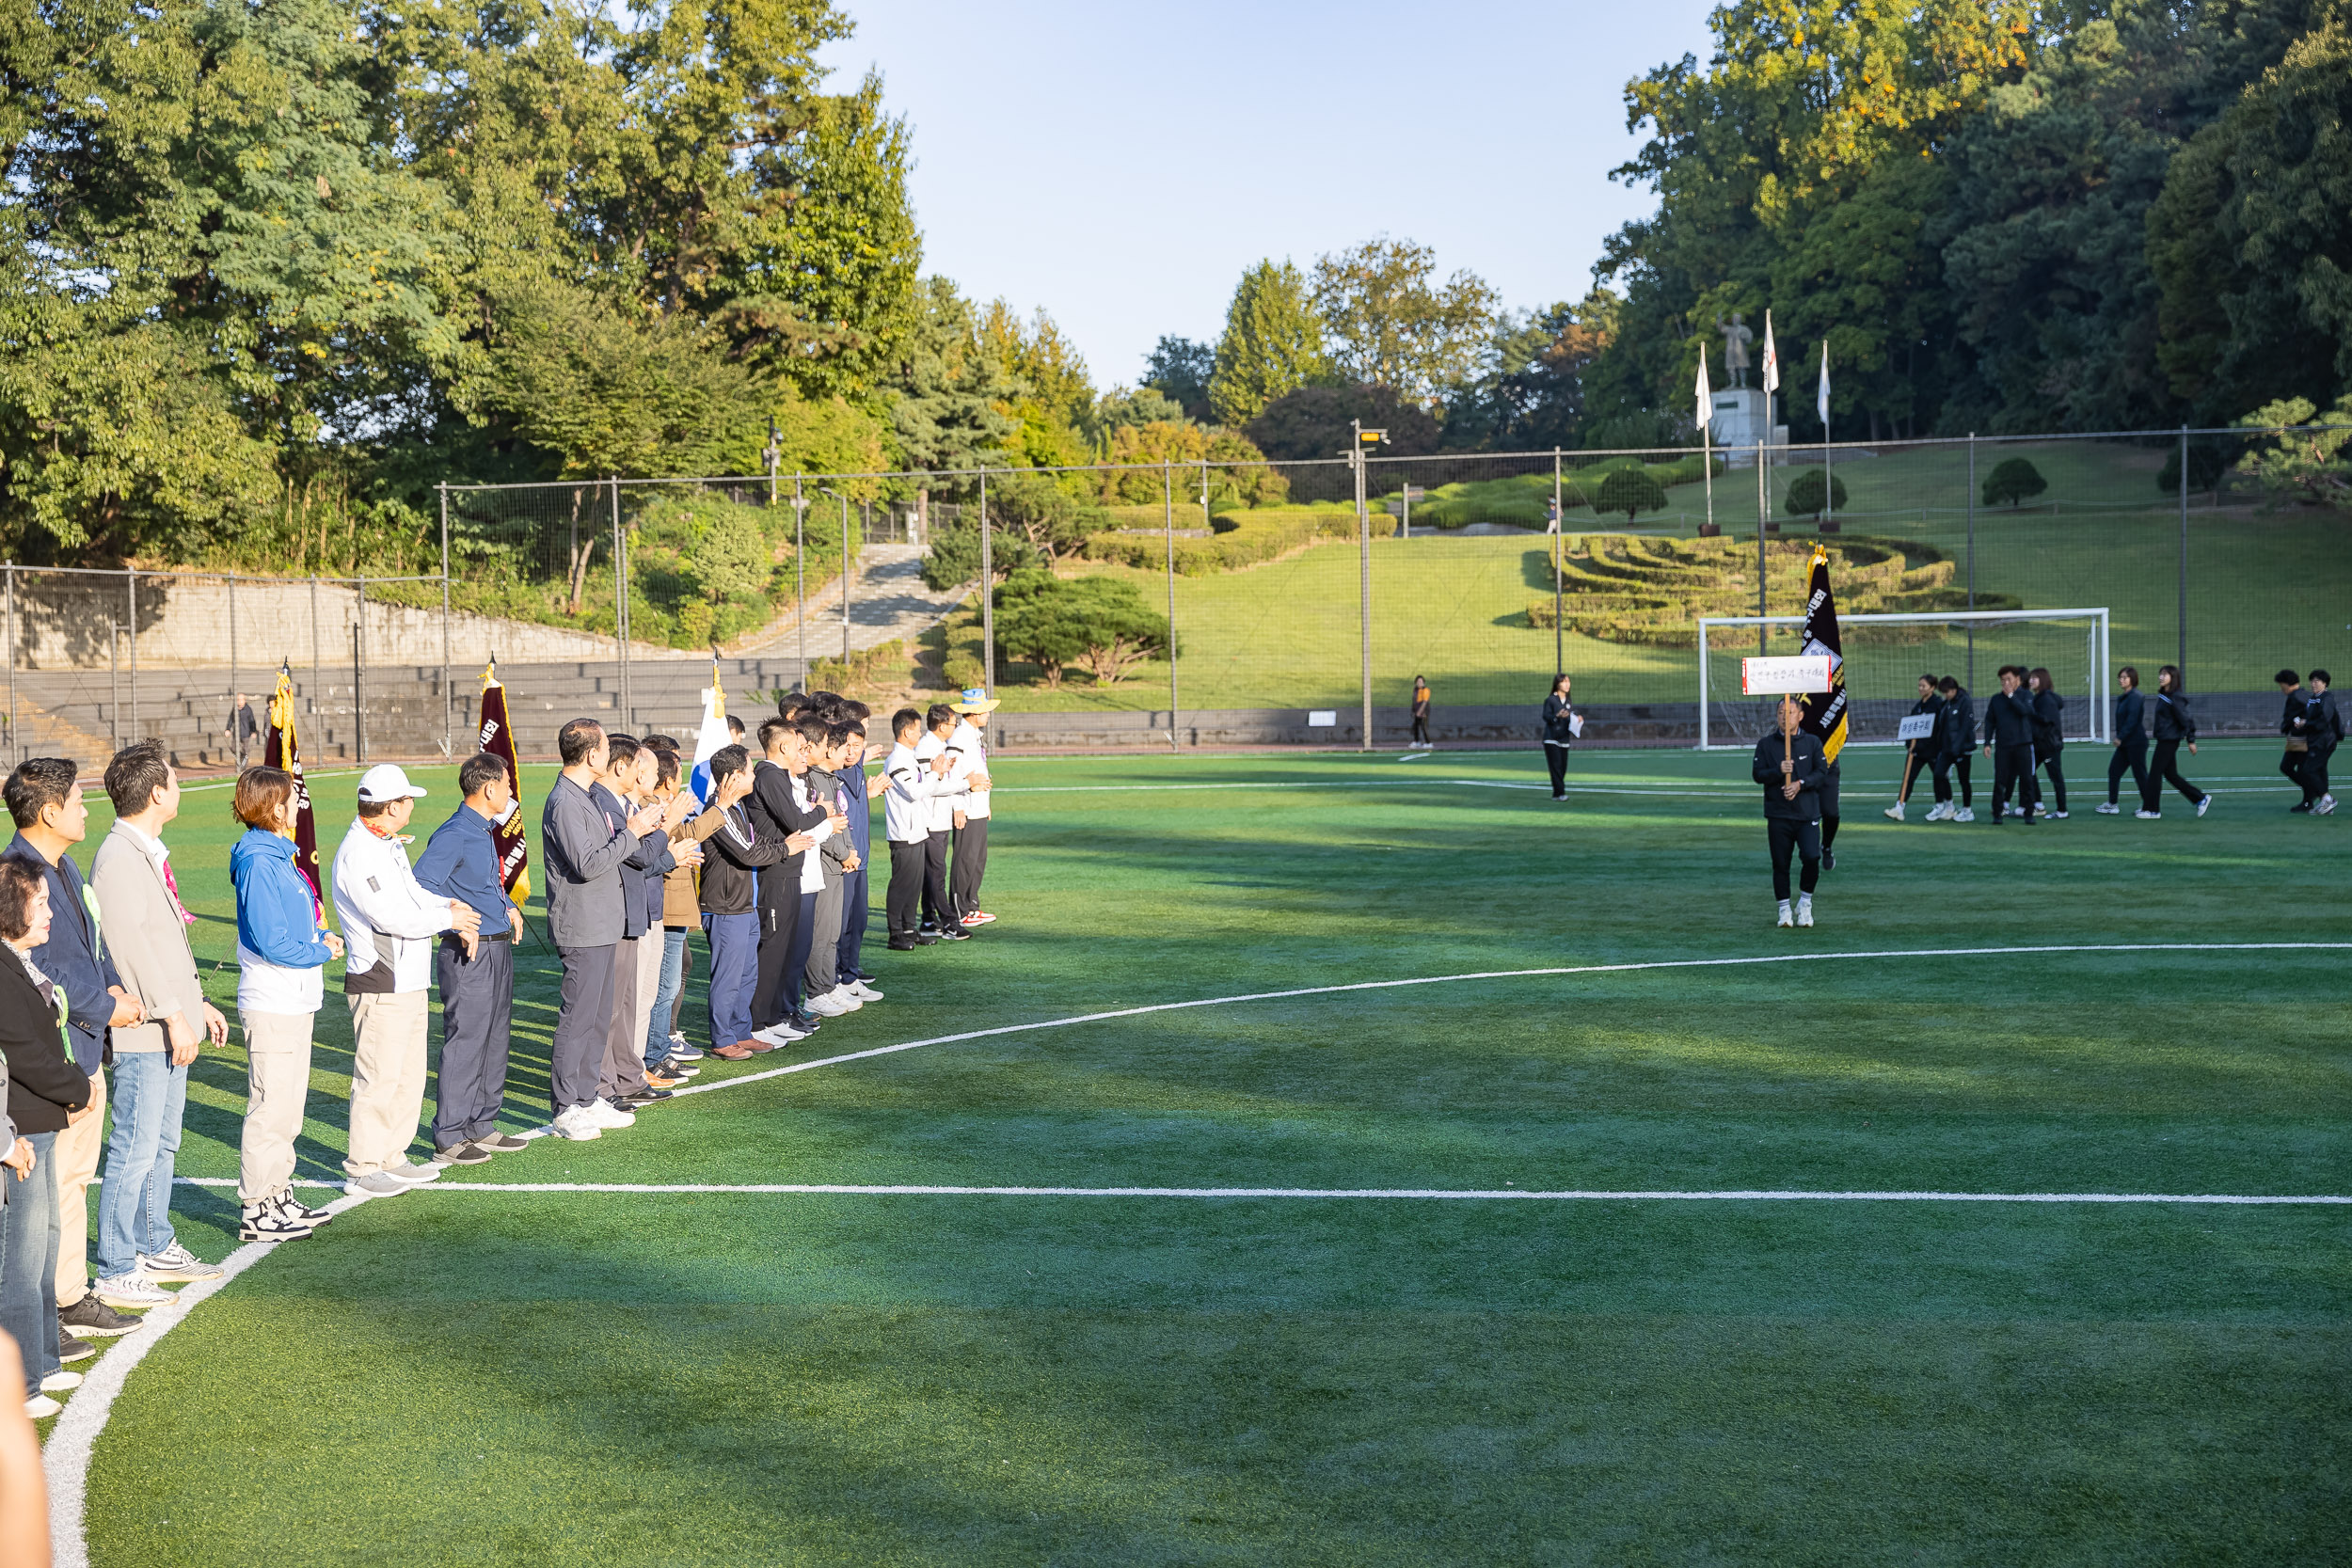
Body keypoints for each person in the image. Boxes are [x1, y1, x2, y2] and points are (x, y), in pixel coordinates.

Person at [2, 759, 142, 1338]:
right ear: (49, 811)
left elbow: (91, 942)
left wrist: (110, 985)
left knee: (74, 1179)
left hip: (83, 1047)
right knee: (46, 1192)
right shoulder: (20, 877)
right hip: (54, 1060)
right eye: (79, 802)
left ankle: (66, 1293)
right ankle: (46, 1308)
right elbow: (46, 968)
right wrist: (108, 1007)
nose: (88, 811)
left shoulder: (63, 865)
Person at [87, 741, 227, 1318]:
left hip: (171, 1023)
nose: (179, 785)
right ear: (156, 792)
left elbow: (164, 942)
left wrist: (197, 1007)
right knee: (135, 1148)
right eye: (173, 777)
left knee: (162, 1144)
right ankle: (118, 1266)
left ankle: (154, 1242)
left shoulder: (143, 850)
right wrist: (171, 1014)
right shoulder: (119, 857)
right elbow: (131, 949)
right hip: (148, 1031)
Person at [330, 765, 475, 1196]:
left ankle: (392, 1155)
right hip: (380, 978)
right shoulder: (359, 852)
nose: (413, 804)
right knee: (378, 1075)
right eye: (408, 799)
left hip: (407, 978)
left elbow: (410, 893)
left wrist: (447, 903)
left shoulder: (384, 843)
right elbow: (389, 916)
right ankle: (362, 1165)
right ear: (392, 806)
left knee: (407, 1075)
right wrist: (447, 918)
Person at [539, 719, 673, 1142]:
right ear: (594, 755)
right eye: (604, 747)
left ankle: (587, 1097)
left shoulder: (586, 796)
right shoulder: (565, 801)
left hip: (603, 923)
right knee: (578, 1019)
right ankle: (565, 1107)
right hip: (582, 925)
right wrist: (634, 833)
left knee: (598, 1018)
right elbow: (589, 863)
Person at [229, 767, 343, 1241]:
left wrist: (318, 936)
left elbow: (293, 926)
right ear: (273, 807)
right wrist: (322, 950)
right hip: (272, 999)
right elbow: (272, 941)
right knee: (270, 1106)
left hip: (294, 1000)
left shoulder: (280, 857)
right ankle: (257, 1206)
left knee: (288, 1107)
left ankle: (278, 1193)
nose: (298, 806)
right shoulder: (259, 861)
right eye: (292, 800)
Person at [0, 861, 91, 1418]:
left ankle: (45, 1361)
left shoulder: (21, 964)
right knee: (22, 1254)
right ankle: (21, 1384)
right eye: (40, 902)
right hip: (24, 1125)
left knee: (45, 1243)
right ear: (11, 908)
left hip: (42, 1119)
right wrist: (77, 1087)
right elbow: (28, 1053)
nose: (50, 911)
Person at [412, 753, 529, 1164]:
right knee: (466, 1040)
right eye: (507, 784)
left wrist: (506, 907)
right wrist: (454, 923)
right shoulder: (455, 833)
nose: (512, 791)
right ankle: (449, 1134)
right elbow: (421, 886)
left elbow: (480, 882)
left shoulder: (482, 830)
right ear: (489, 788)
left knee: (495, 1036)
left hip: (496, 947)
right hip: (469, 953)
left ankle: (482, 1124)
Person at [691, 747, 792, 1061]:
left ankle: (741, 1031)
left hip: (743, 904)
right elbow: (747, 852)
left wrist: (780, 845)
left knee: (747, 974)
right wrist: (785, 848)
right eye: (749, 771)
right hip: (724, 907)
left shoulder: (736, 808)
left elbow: (753, 842)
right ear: (734, 776)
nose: (753, 776)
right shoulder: (717, 811)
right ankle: (722, 1038)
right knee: (728, 978)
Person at [589, 735, 673, 1112]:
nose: (645, 774)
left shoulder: (620, 802)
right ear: (622, 766)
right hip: (616, 915)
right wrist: (664, 832)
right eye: (642, 766)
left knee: (624, 1006)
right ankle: (605, 1085)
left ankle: (627, 1077)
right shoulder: (604, 801)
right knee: (610, 1009)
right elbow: (637, 857)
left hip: (631, 913)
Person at [640, 746, 704, 1080]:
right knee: (660, 989)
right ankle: (653, 1056)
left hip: (670, 906)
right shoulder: (650, 809)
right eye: (680, 773)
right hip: (663, 906)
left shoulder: (661, 808)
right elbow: (651, 855)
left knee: (663, 987)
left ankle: (658, 1053)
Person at [882, 707, 967, 950]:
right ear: (907, 731)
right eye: (917, 730)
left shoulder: (908, 756)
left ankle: (910, 928)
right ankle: (895, 933)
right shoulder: (897, 760)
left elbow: (924, 787)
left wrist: (938, 773)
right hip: (903, 833)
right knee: (901, 884)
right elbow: (915, 792)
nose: (920, 734)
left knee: (914, 884)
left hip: (917, 830)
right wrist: (936, 773)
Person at [1751, 697, 1826, 927]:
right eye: (1781, 712)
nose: (1785, 717)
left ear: (1800, 715)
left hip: (1807, 814)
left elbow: (1821, 773)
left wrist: (1800, 784)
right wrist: (1778, 771)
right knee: (1780, 863)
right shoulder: (1766, 744)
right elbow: (1757, 774)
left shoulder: (1812, 742)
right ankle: (1784, 909)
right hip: (1778, 814)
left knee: (1812, 857)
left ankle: (1805, 903)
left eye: (1790, 712)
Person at [834, 705, 886, 993]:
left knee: (859, 920)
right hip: (844, 860)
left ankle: (851, 975)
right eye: (847, 746)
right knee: (838, 927)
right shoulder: (832, 775)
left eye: (858, 745)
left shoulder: (858, 769)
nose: (852, 751)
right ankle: (833, 980)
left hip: (861, 859)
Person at [915, 705, 973, 940]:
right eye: (952, 724)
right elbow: (931, 787)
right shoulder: (927, 748)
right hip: (931, 820)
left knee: (933, 872)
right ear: (941, 726)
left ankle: (929, 919)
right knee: (936, 873)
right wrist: (966, 783)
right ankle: (949, 922)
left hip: (939, 819)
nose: (955, 727)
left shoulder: (938, 746)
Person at [946, 689, 998, 927]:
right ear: (974, 712)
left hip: (977, 806)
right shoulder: (959, 737)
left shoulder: (974, 735)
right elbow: (952, 772)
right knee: (965, 859)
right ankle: (960, 909)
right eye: (985, 709)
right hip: (965, 807)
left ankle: (971, 905)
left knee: (978, 859)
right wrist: (957, 806)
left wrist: (985, 803)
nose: (988, 713)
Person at [1979, 666, 2040, 825]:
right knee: (2000, 781)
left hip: (2023, 745)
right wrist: (1987, 743)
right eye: (2002, 680)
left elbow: (2026, 711)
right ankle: (1998, 813)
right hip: (2003, 746)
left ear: (2017, 679)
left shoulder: (2026, 695)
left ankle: (2029, 813)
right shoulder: (1996, 699)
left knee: (2027, 780)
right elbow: (1990, 721)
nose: (2005, 683)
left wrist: (2012, 696)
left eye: (2009, 679)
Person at [2148, 665, 2210, 819]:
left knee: (2155, 774)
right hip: (2165, 738)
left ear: (2173, 677)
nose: (2161, 677)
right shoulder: (2164, 695)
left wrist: (2191, 740)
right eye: (2160, 674)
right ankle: (2200, 798)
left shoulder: (2175, 697)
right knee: (2171, 775)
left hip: (2169, 740)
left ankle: (2152, 810)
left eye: (2165, 674)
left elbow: (2186, 719)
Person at [1884, 674, 1941, 822]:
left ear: (1933, 687)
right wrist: (1910, 745)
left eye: (1924, 686)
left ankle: (1944, 806)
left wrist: (1921, 746)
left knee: (1940, 778)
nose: (1920, 689)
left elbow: (1935, 729)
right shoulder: (1918, 706)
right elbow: (1911, 727)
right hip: (1916, 751)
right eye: (1919, 686)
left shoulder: (1936, 704)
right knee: (1908, 778)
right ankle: (1899, 807)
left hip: (1932, 750)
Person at [2099, 667, 2151, 816]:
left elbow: (2132, 719)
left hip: (2135, 742)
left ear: (2132, 679)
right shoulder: (2125, 696)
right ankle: (2112, 804)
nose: (2121, 680)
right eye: (2120, 677)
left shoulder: (2135, 696)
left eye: (2125, 677)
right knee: (2114, 771)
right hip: (2126, 743)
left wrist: (2120, 737)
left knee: (2140, 774)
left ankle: (2149, 806)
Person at [1930, 677, 1976, 822]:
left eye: (1947, 692)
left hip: (1962, 749)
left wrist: (1958, 747)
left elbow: (1965, 727)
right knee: (1938, 774)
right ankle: (1949, 807)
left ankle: (1967, 810)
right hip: (1947, 748)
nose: (1945, 695)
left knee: (1964, 780)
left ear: (1954, 690)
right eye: (1943, 692)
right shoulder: (1946, 704)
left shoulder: (1965, 702)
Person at [2027, 667, 2069, 819]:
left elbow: (2048, 721)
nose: (2031, 681)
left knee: (2056, 777)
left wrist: (2031, 715)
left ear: (2043, 680)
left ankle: (2062, 811)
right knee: (2028, 771)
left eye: (2035, 678)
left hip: (2049, 746)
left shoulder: (2046, 699)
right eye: (2030, 678)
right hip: (2040, 745)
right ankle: (2037, 804)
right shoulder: (2038, 698)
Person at [2305, 670, 2342, 816]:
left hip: (2325, 740)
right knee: (2320, 770)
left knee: (2309, 769)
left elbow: (2324, 719)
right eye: (2312, 681)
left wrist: (2306, 723)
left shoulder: (2327, 698)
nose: (2313, 684)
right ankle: (2325, 805)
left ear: (2325, 683)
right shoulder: (2313, 698)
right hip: (2316, 739)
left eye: (2317, 681)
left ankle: (2327, 799)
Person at [1540, 675, 1575, 800]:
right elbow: (1546, 716)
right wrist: (1557, 715)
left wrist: (1577, 719)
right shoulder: (1550, 700)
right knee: (1555, 766)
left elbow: (1570, 718)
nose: (1567, 685)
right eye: (1564, 682)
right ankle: (1561, 793)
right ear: (1557, 684)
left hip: (1564, 739)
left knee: (1562, 767)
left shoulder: (1568, 701)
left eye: (1568, 682)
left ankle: (1556, 793)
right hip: (1551, 739)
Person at [223, 693, 261, 768]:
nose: (239, 702)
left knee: (245, 751)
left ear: (244, 700)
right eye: (238, 700)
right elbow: (231, 720)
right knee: (233, 748)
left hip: (245, 733)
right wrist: (228, 729)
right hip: (236, 733)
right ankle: (240, 757)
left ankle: (243, 767)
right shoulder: (234, 709)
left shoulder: (248, 709)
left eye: (241, 700)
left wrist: (253, 731)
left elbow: (252, 721)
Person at [1409, 676, 1432, 750]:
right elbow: (1414, 701)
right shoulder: (1415, 690)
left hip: (1423, 712)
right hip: (1416, 711)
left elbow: (1425, 702)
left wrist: (1420, 712)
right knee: (1416, 727)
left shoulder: (1426, 690)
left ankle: (1428, 743)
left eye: (1421, 681)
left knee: (1424, 727)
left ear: (1423, 682)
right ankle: (1417, 742)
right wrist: (1414, 711)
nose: (1419, 683)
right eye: (1418, 681)